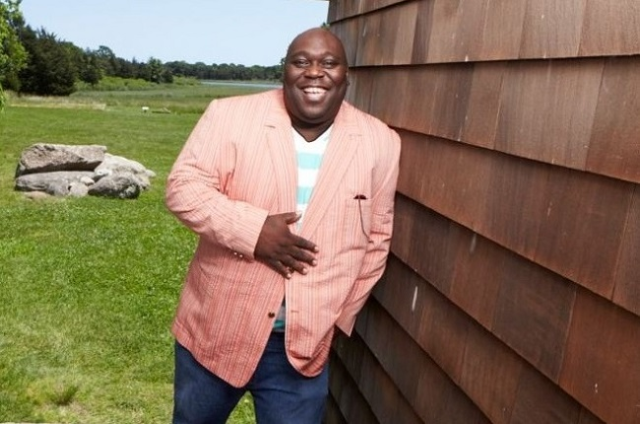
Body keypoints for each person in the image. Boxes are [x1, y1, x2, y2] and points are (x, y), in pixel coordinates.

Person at [165, 27, 401, 424]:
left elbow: (377, 238)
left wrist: (336, 317)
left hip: (300, 353)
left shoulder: (381, 142)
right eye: (301, 61)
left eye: (329, 63)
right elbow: (183, 189)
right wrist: (254, 232)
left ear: (346, 75)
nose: (314, 72)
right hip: (215, 332)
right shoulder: (229, 116)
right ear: (285, 71)